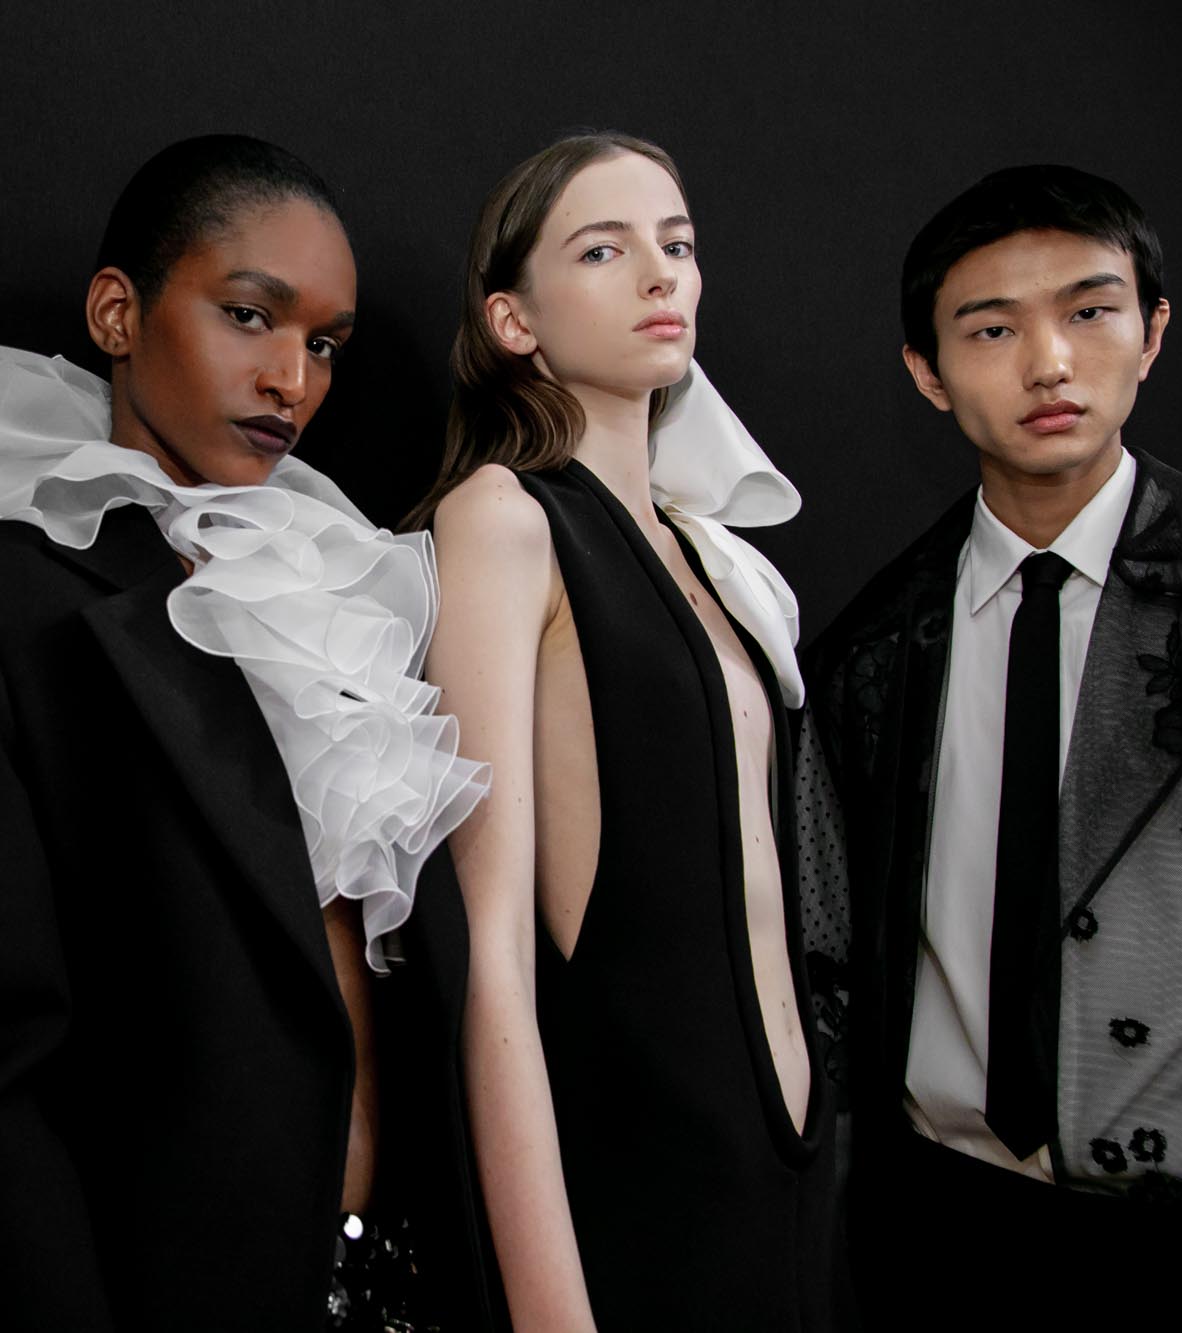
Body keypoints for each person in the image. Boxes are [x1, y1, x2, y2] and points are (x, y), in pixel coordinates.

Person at [0, 135, 492, 1331]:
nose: (292, 380)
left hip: (417, 1277)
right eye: (248, 316)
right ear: (117, 313)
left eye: (324, 344)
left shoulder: (353, 598)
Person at [802, 163, 1182, 1326]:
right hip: (940, 1225)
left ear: (1151, 332)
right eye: (992, 329)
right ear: (926, 370)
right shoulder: (867, 646)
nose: (1048, 362)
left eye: (1088, 311)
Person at [409, 132, 847, 1331]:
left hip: (791, 1169)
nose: (661, 274)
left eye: (677, 243)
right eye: (603, 250)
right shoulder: (504, 520)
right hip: (646, 1182)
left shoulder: (710, 556)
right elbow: (490, 954)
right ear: (512, 320)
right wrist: (550, 1309)